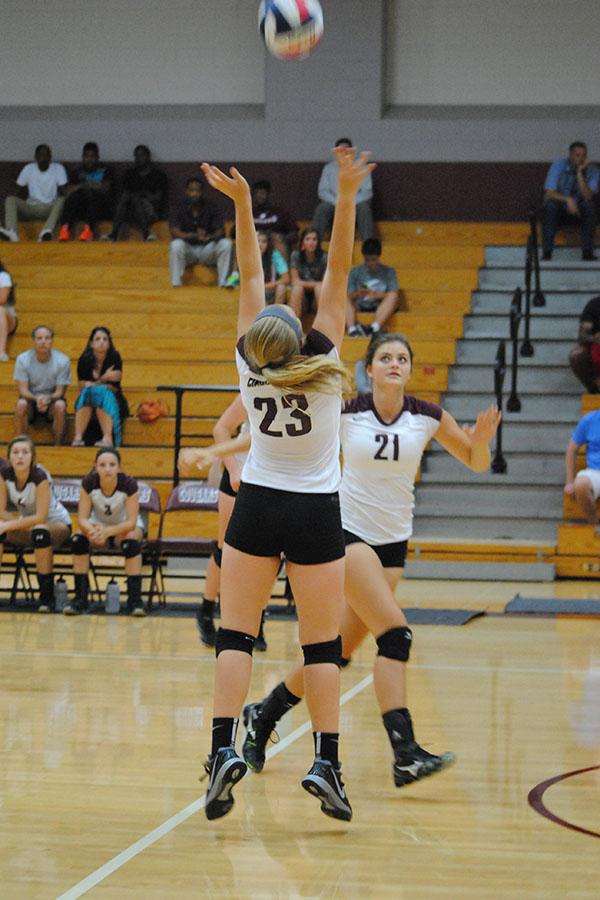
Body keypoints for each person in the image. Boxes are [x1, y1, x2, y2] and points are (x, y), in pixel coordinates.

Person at [191, 147, 375, 822]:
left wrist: (241, 206)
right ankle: (326, 762)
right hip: (315, 514)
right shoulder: (325, 363)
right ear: (300, 335)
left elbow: (249, 273)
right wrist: (348, 196)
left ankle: (221, 753)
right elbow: (338, 269)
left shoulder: (249, 363)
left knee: (235, 637)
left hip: (258, 506)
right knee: (320, 646)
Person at [230, 333, 500, 789]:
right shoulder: (343, 411)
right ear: (369, 368)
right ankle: (406, 754)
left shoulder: (428, 416)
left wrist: (483, 440)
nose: (395, 364)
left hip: (392, 546)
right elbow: (271, 435)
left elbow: (475, 461)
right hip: (347, 535)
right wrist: (228, 457)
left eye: (402, 358)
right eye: (385, 357)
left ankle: (265, 711)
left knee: (337, 652)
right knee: (395, 634)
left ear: (410, 369)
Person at [180, 396, 267, 651]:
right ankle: (206, 610)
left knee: (267, 553)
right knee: (224, 549)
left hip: (272, 475)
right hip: (239, 471)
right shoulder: (252, 386)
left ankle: (258, 618)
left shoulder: (295, 388)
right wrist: (233, 468)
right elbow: (220, 428)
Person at [63, 447, 145, 616]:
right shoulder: (89, 482)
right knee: (78, 540)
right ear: (95, 466)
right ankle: (80, 599)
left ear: (119, 467)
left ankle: (134, 602)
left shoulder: (129, 484)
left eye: (112, 464)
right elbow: (82, 519)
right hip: (98, 525)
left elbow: (131, 522)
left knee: (131, 542)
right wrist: (92, 531)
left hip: (124, 526)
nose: (107, 469)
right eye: (103, 465)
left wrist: (108, 532)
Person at [0, 435, 71, 612]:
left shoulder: (40, 476)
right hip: (27, 525)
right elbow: (1, 510)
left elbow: (41, 517)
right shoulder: (4, 475)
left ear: (32, 457)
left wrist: (10, 525)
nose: (20, 456)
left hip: (56, 524)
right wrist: (14, 524)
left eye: (25, 452)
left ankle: (47, 598)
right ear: (9, 458)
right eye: (15, 452)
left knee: (40, 532)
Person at [168, 176, 233, 287]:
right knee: (175, 245)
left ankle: (223, 283)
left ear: (202, 192)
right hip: (188, 250)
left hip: (207, 249)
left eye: (197, 191)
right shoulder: (178, 208)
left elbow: (220, 231)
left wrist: (209, 237)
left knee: (227, 244)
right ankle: (176, 284)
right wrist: (191, 236)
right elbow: (174, 231)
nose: (194, 194)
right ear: (186, 191)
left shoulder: (211, 207)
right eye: (191, 190)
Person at [542, 141, 599, 261]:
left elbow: (588, 196)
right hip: (561, 210)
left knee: (589, 206)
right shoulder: (559, 165)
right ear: (570, 155)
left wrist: (579, 173)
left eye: (584, 155)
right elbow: (549, 192)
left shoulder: (593, 170)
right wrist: (568, 200)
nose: (581, 158)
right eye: (577, 155)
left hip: (580, 211)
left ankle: (587, 253)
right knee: (550, 205)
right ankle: (547, 253)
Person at [72, 326, 129, 448]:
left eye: (105, 339)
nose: (101, 342)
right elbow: (82, 386)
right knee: (91, 393)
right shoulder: (85, 359)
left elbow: (114, 384)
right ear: (91, 343)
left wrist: (96, 382)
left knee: (99, 394)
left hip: (113, 397)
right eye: (97, 339)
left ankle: (107, 438)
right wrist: (104, 378)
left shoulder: (114, 356)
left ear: (109, 343)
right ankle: (78, 437)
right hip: (88, 396)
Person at [14, 326, 70, 445]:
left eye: (47, 338)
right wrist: (37, 399)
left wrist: (47, 399)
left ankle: (58, 445)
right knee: (20, 404)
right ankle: (19, 444)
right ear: (34, 341)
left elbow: (60, 392)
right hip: (30, 401)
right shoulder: (22, 359)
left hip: (52, 402)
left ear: (52, 340)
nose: (43, 341)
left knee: (60, 405)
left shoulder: (63, 360)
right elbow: (23, 390)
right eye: (39, 338)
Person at [0, 144, 67, 242]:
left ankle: (46, 232)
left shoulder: (58, 168)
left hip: (50, 208)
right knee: (10, 199)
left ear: (50, 157)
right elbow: (17, 191)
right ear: (35, 157)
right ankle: (12, 232)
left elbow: (64, 191)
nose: (43, 158)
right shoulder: (28, 169)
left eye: (46, 155)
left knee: (62, 199)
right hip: (31, 208)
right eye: (40, 155)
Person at [313, 138, 375, 242]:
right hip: (334, 203)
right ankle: (315, 243)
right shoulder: (329, 168)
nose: (344, 153)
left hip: (356, 203)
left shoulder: (362, 167)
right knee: (322, 209)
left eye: (347, 150)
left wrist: (349, 202)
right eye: (341, 150)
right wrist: (338, 202)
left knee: (364, 209)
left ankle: (368, 245)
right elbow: (323, 191)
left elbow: (367, 192)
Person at [102, 145, 167, 242]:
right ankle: (114, 234)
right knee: (129, 197)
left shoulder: (158, 175)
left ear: (148, 157)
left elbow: (157, 198)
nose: (139, 158)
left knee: (136, 198)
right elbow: (124, 196)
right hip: (130, 211)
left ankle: (145, 234)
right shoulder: (129, 174)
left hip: (150, 211)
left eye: (142, 155)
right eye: (137, 156)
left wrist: (142, 197)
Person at [58, 142, 113, 242]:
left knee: (91, 194)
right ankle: (65, 229)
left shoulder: (105, 170)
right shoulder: (77, 172)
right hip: (81, 208)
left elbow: (105, 188)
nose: (89, 159)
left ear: (97, 157)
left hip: (101, 208)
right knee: (74, 197)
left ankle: (89, 230)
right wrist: (83, 186)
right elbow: (68, 190)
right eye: (86, 156)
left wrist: (86, 185)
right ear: (82, 157)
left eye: (92, 156)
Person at [346, 238, 399, 337]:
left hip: (380, 305)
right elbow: (350, 295)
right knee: (343, 298)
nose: (370, 263)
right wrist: (358, 294)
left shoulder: (389, 272)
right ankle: (352, 329)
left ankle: (374, 327)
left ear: (379, 257)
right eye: (367, 260)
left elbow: (393, 293)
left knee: (392, 296)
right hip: (359, 304)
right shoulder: (355, 272)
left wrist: (377, 295)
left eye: (373, 260)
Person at [564, 409, 600, 526]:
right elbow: (571, 450)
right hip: (595, 472)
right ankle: (594, 524)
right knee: (580, 484)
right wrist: (569, 482)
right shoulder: (589, 420)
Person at [288, 227, 327, 329]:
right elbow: (295, 281)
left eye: (314, 239)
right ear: (302, 242)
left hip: (317, 299)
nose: (311, 242)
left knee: (319, 289)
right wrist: (316, 284)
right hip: (302, 299)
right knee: (297, 289)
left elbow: (325, 284)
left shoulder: (324, 257)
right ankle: (293, 328)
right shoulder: (295, 255)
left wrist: (316, 285)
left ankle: (323, 327)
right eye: (308, 239)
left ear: (318, 242)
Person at [569, 295, 600, 393]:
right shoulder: (595, 305)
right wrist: (594, 339)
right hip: (596, 351)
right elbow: (582, 336)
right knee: (576, 355)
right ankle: (595, 390)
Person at [259, 230, 289, 304]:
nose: (260, 244)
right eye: (257, 241)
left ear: (268, 244)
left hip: (271, 289)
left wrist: (267, 285)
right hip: (256, 291)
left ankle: (276, 313)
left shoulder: (275, 255)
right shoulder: (249, 257)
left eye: (263, 242)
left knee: (281, 288)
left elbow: (286, 279)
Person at [0, 259, 18, 362]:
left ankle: (1, 352)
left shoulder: (3, 276)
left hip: (8, 318)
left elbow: (2, 299)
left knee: (0, 310)